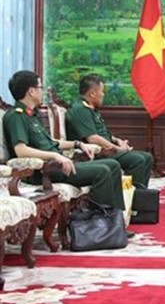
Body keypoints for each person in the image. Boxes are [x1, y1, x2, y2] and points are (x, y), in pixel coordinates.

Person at [2, 70, 125, 212]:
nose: (41, 91)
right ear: (31, 91)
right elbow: (21, 150)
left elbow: (51, 141)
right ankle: (100, 225)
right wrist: (55, 156)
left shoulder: (32, 115)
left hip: (59, 165)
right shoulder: (16, 116)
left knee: (113, 164)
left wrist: (78, 144)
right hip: (45, 171)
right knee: (102, 171)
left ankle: (116, 220)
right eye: (40, 87)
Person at [65, 74, 153, 188]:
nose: (103, 94)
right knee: (137, 160)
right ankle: (132, 198)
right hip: (96, 153)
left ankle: (139, 194)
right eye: (102, 91)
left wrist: (117, 140)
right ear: (92, 93)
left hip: (107, 149)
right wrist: (117, 149)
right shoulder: (79, 110)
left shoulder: (91, 108)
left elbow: (102, 132)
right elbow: (92, 138)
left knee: (147, 157)